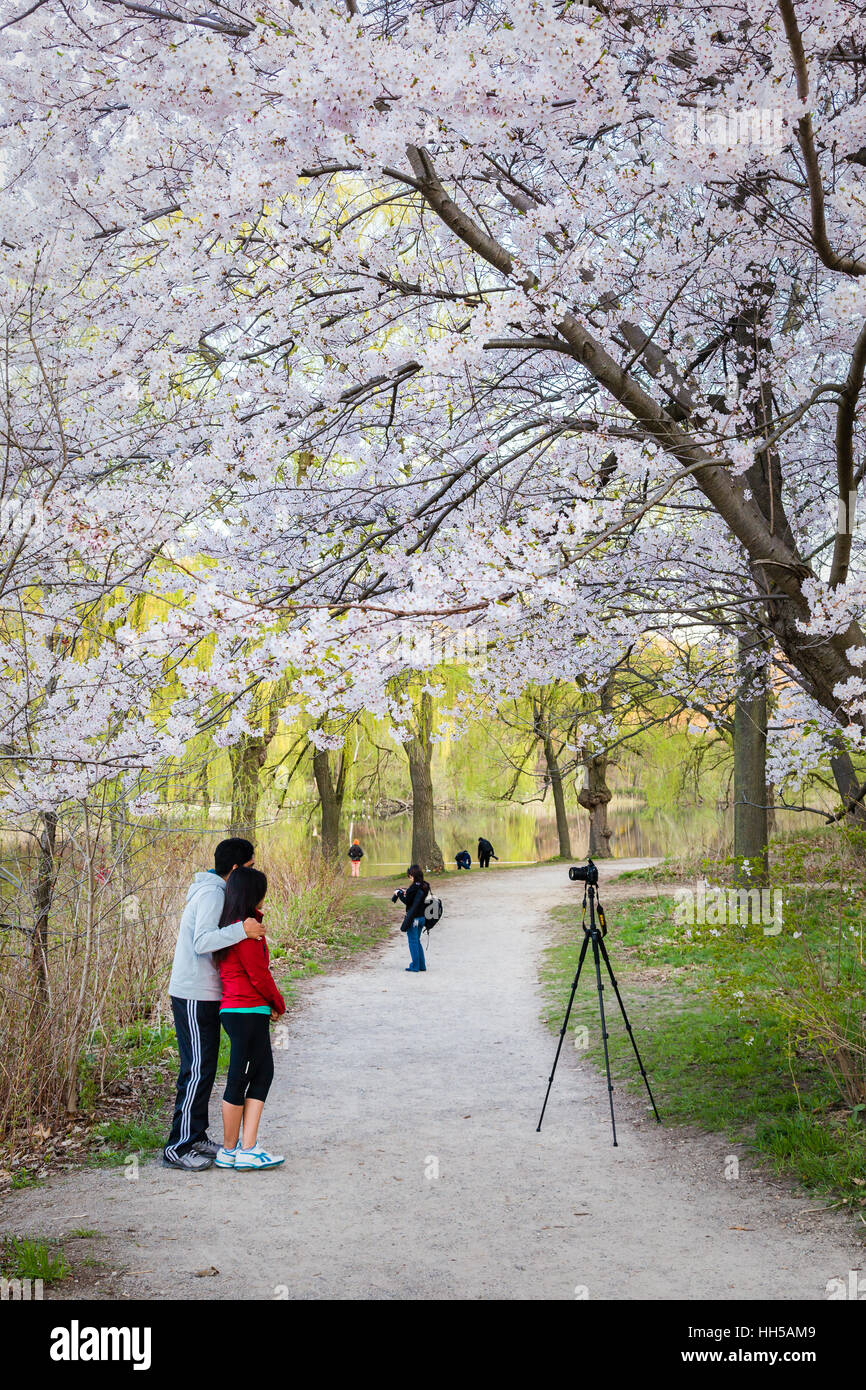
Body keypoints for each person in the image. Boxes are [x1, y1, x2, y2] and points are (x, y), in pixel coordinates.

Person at [163, 837, 264, 1172]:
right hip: (193, 992)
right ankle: (177, 1147)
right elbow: (203, 941)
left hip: (210, 994)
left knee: (205, 1067)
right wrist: (242, 929)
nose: (251, 874)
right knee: (195, 1069)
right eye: (249, 868)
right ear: (236, 868)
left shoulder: (219, 892)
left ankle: (196, 1135)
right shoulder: (212, 893)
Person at [213, 866, 286, 1171]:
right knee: (239, 1078)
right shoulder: (247, 930)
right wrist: (278, 1002)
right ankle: (238, 1149)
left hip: (238, 1010)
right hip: (246, 1010)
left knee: (262, 1072)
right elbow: (258, 974)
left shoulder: (229, 927)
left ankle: (240, 1149)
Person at [391, 864, 429, 973]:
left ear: (412, 876)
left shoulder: (413, 888)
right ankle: (422, 965)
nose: (409, 878)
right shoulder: (424, 885)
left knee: (412, 941)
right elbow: (414, 897)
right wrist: (406, 892)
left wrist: (399, 894)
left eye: (409, 876)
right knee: (417, 941)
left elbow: (408, 901)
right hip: (422, 918)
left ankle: (415, 966)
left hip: (413, 919)